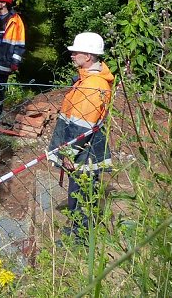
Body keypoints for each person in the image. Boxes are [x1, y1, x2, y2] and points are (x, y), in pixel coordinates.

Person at [47, 32, 114, 242]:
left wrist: (69, 152)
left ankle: (82, 237)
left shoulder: (93, 85)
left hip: (85, 149)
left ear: (88, 56)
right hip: (83, 147)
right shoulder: (87, 80)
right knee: (78, 189)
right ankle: (78, 230)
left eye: (76, 52)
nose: (72, 55)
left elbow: (82, 124)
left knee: (82, 192)